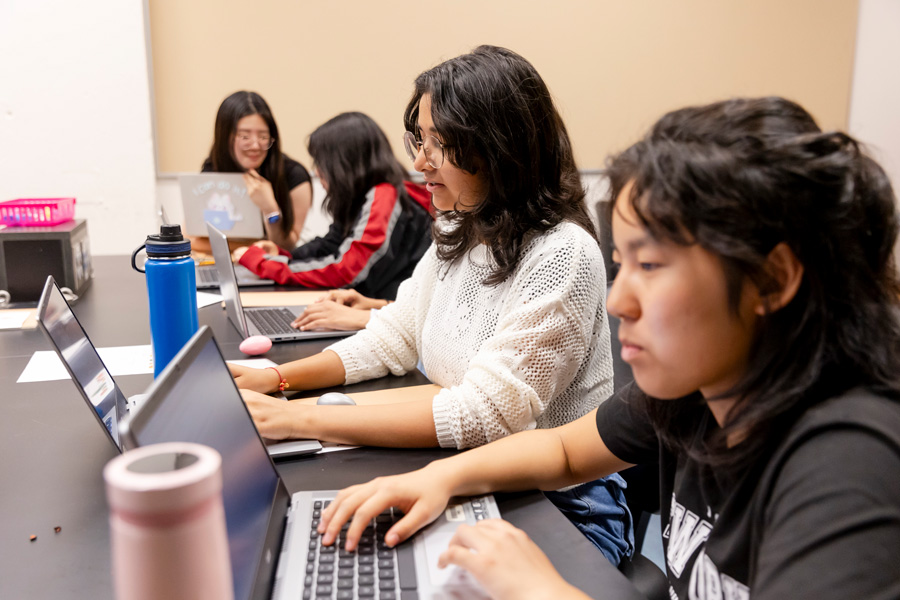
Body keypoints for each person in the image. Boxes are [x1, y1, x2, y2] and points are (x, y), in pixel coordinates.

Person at [313, 96, 900, 600]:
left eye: (650, 265)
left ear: (772, 280)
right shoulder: (705, 386)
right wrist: (438, 479)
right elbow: (567, 452)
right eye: (623, 265)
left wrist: (543, 588)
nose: (619, 301)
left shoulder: (849, 462)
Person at [230, 46, 632, 564]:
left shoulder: (562, 253)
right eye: (419, 139)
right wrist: (279, 381)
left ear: (496, 148)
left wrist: (295, 419)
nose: (418, 162)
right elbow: (394, 334)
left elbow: (485, 414)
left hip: (562, 506)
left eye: (438, 144)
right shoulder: (459, 223)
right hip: (474, 471)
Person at [233, 111, 433, 301]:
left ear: (344, 164)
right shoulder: (366, 196)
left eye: (322, 163)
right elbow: (330, 245)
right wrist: (283, 256)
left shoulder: (384, 196)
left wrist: (265, 264)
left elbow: (348, 271)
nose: (318, 171)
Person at [201, 90, 313, 252]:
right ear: (225, 137)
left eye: (263, 137)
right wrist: (252, 248)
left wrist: (270, 209)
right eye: (245, 137)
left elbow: (286, 247)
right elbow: (193, 238)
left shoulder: (294, 176)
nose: (255, 146)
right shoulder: (213, 169)